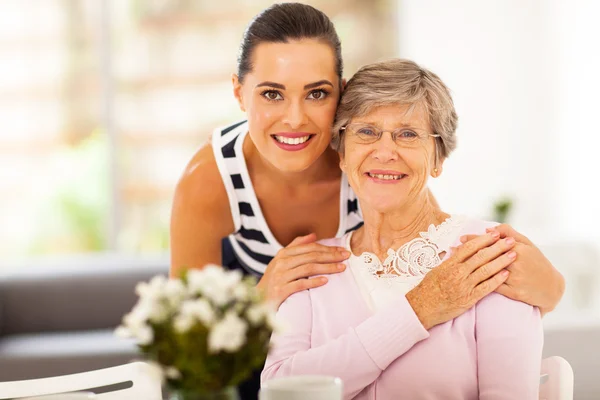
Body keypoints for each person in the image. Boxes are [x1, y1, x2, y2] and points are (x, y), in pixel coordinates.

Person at [170, 3, 562, 399]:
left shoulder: (373, 165)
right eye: (272, 93)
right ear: (239, 92)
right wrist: (262, 298)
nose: (294, 119)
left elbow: (421, 215)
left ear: (337, 95)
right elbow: (194, 351)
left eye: (316, 94)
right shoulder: (211, 180)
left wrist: (549, 285)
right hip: (233, 350)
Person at [261, 58, 544, 399]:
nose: (384, 152)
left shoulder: (486, 252)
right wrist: (417, 310)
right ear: (342, 153)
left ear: (438, 159)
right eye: (366, 131)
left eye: (408, 134)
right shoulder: (311, 267)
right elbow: (281, 391)